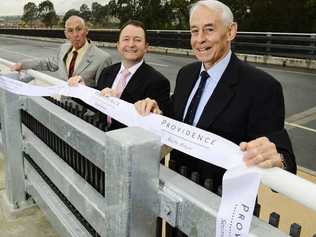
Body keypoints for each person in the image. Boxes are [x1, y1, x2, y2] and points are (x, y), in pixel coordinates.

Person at [135, 0, 297, 191]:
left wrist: (277, 159)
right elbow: (175, 120)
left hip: (222, 202)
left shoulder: (262, 87)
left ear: (230, 31)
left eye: (209, 29)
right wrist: (156, 111)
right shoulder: (186, 74)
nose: (200, 39)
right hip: (175, 189)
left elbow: (285, 161)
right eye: (194, 31)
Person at [96, 20, 171, 130]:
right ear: (118, 45)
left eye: (137, 40)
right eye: (126, 39)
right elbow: (96, 104)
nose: (131, 44)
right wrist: (80, 88)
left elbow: (160, 122)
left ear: (146, 47)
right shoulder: (107, 72)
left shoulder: (158, 82)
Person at [11, 15, 112, 88]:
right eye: (70, 31)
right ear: (66, 34)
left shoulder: (102, 58)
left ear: (86, 30)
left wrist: (84, 85)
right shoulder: (63, 49)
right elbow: (47, 63)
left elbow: (103, 91)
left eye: (79, 29)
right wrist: (22, 64)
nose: (75, 34)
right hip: (64, 105)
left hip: (86, 114)